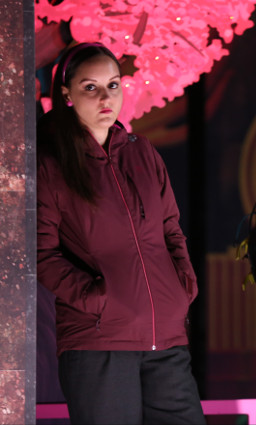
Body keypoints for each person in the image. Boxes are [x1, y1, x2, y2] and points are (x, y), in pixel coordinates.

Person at [36, 42, 206, 424]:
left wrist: (183, 287)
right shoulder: (52, 164)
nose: (105, 97)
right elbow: (41, 254)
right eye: (90, 87)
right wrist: (99, 300)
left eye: (113, 85)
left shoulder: (141, 151)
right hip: (99, 343)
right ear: (66, 95)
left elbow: (170, 228)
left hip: (165, 338)